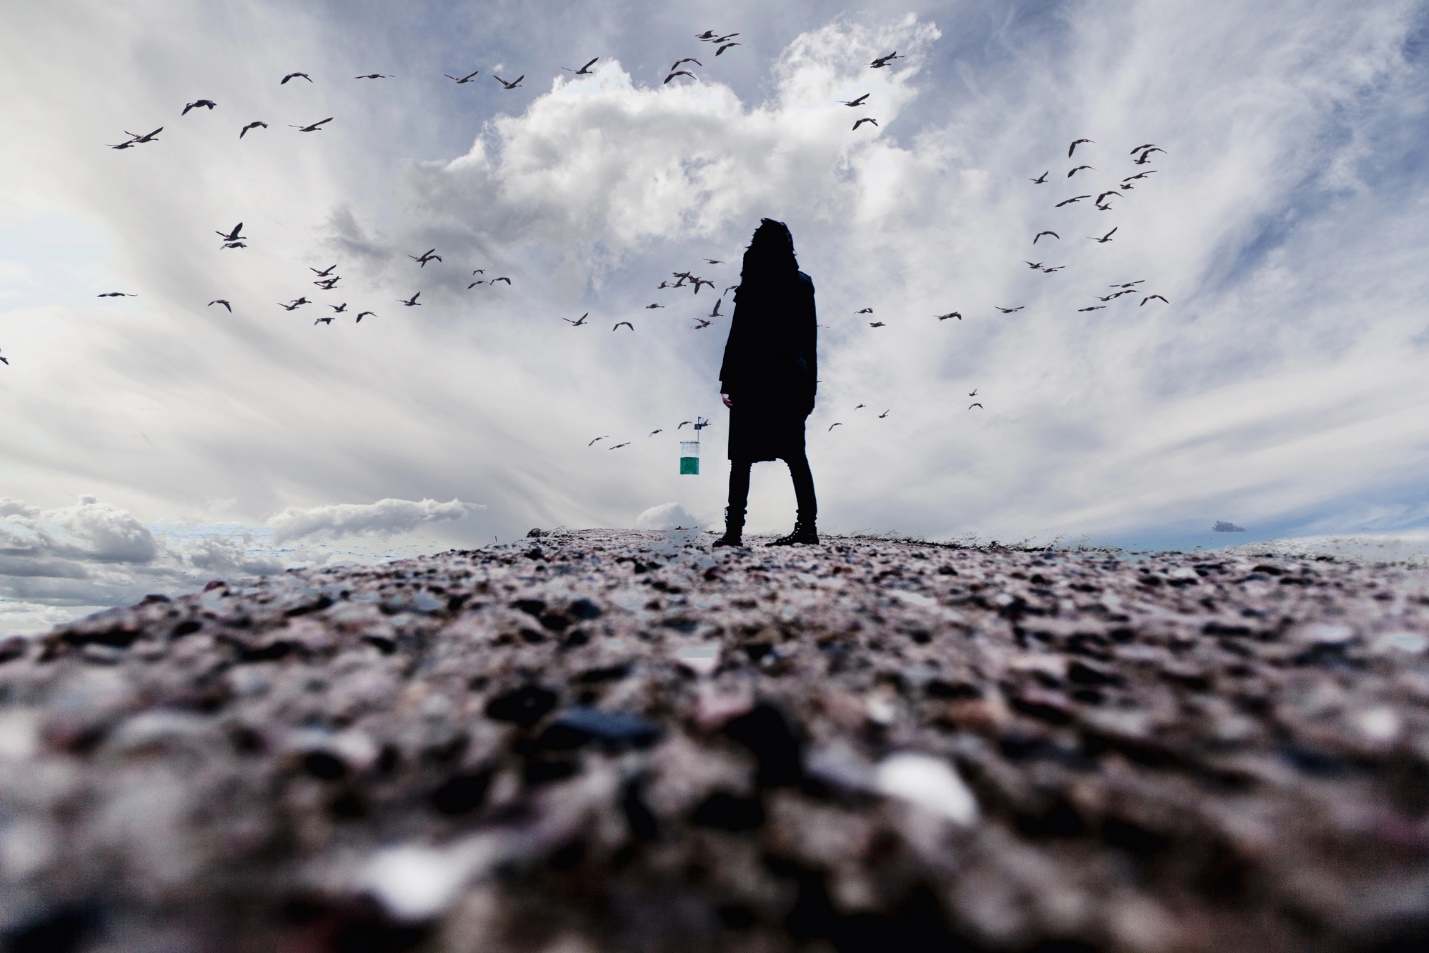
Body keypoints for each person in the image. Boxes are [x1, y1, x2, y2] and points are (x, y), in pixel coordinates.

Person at [713, 218, 819, 547]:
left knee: (741, 458)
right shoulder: (802, 283)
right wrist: (811, 387)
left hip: (754, 375)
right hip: (790, 376)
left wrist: (727, 380)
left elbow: (738, 336)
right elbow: (809, 338)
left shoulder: (752, 284)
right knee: (795, 454)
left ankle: (734, 532)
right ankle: (807, 528)